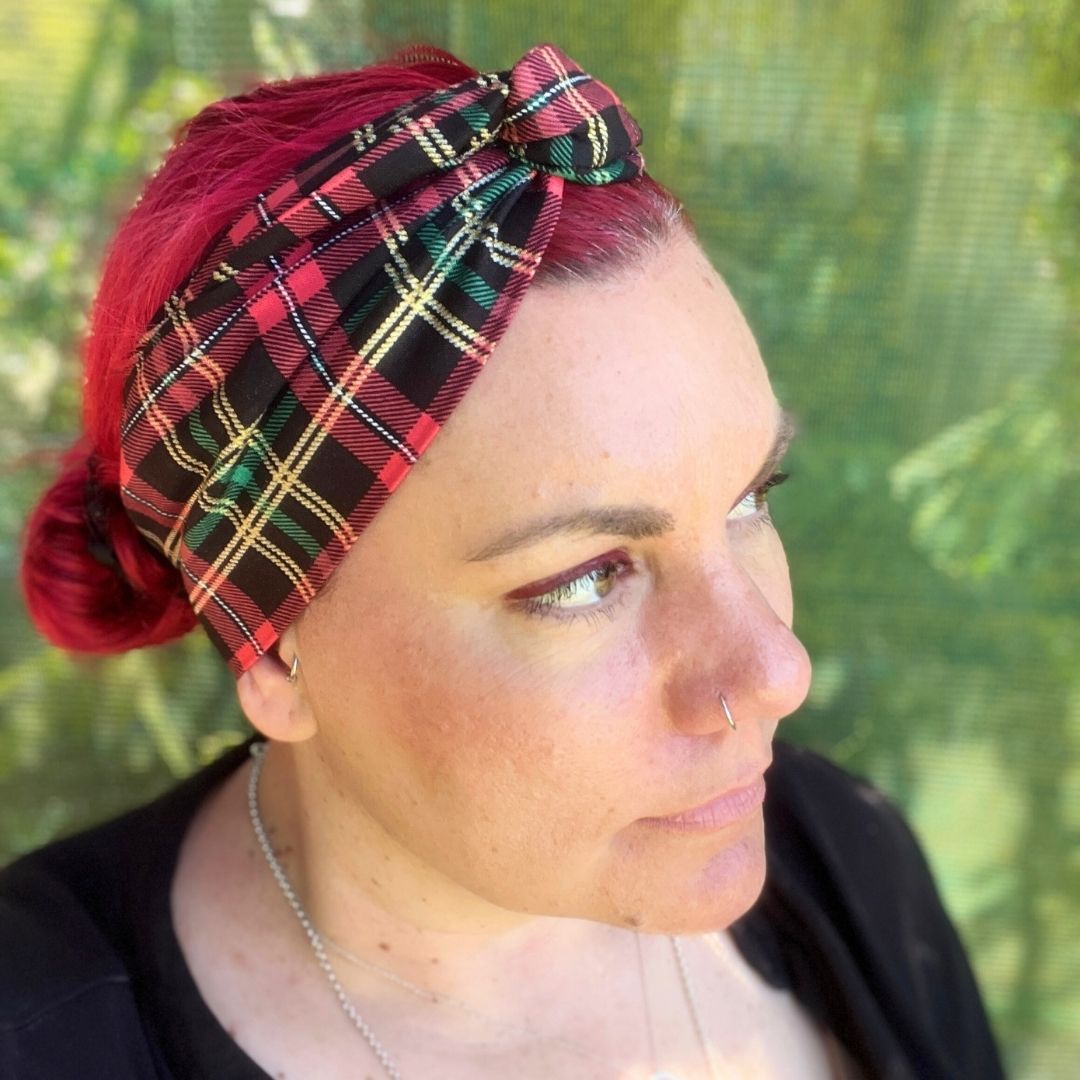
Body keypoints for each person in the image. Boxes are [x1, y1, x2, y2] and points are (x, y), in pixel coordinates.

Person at [0, 42, 1005, 1080]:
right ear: (279, 652)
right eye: (585, 579)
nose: (776, 673)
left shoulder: (847, 859)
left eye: (750, 499)